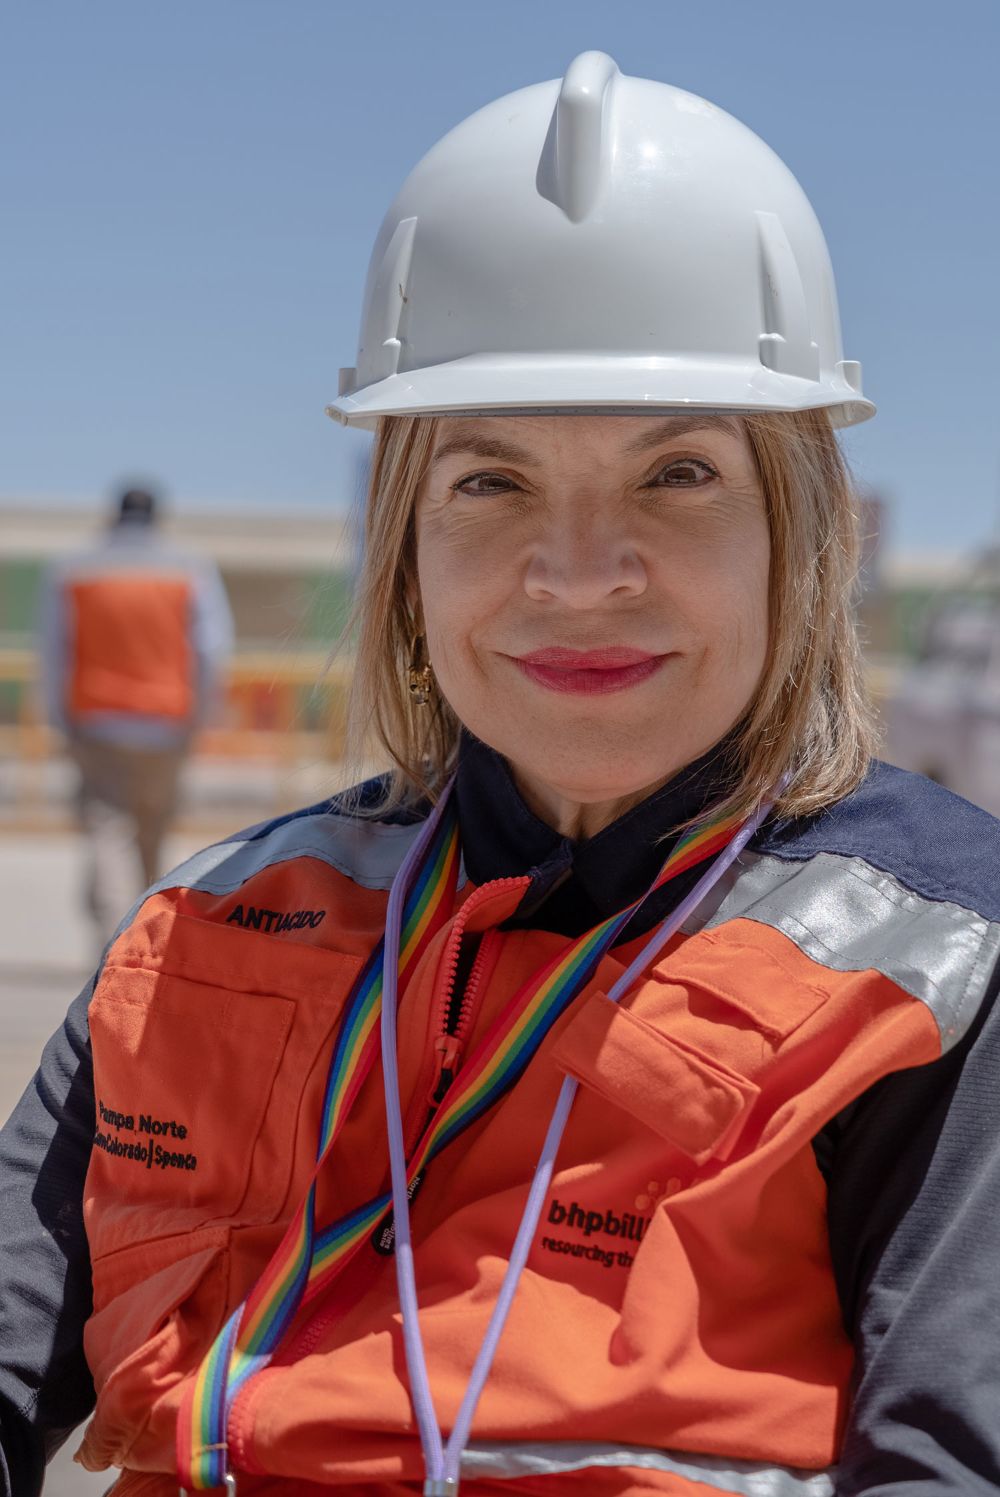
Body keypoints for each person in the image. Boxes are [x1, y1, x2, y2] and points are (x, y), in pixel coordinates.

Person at [2, 51, 1000, 1497]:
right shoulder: (210, 930)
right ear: (406, 554)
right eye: (490, 480)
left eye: (679, 475)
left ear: (806, 532)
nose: (579, 575)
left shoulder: (939, 965)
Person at [36, 485, 234, 945]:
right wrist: (200, 717)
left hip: (98, 723)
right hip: (167, 723)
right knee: (152, 837)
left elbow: (54, 651)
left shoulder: (74, 570)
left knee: (107, 835)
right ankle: (148, 941)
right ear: (157, 518)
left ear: (114, 516)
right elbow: (211, 650)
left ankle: (110, 946)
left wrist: (59, 721)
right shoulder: (190, 569)